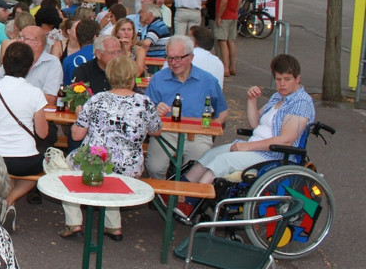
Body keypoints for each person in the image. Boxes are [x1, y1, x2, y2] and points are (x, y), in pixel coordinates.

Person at [174, 54, 314, 221]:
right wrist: (251, 101)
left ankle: (190, 203)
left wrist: (247, 147)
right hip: (255, 148)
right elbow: (255, 124)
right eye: (278, 79)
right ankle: (177, 193)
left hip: (273, 156)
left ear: (298, 79)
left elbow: (286, 140)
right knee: (209, 155)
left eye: (287, 79)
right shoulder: (278, 97)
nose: (282, 84)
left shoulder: (301, 103)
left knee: (221, 162)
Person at [61, 56, 161, 240]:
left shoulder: (96, 100)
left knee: (64, 166)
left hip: (96, 163)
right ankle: (113, 226)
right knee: (111, 172)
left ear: (110, 76)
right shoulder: (145, 102)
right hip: (130, 166)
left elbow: (76, 136)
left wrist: (79, 117)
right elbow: (156, 130)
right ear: (132, 78)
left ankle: (74, 222)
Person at [0, 42, 49, 215]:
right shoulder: (35, 93)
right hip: (26, 159)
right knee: (36, 174)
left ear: (4, 63)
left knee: (7, 174)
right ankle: (10, 200)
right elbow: (43, 133)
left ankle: (6, 201)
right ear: (30, 65)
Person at [144, 35, 228, 179]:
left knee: (195, 170)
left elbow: (222, 111)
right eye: (170, 58)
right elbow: (144, 111)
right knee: (154, 167)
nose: (173, 63)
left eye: (178, 58)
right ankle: (163, 191)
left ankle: (184, 191)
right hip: (165, 133)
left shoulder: (207, 80)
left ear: (191, 57)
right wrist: (155, 110)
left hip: (197, 135)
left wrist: (210, 130)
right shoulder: (158, 79)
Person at [215, 0, 241, 76]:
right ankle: (232, 67)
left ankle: (225, 68)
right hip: (233, 15)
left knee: (222, 41)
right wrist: (235, 11)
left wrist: (219, 16)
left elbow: (224, 0)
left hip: (225, 16)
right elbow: (239, 0)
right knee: (231, 40)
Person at [62, 18, 100, 85]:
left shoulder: (68, 61)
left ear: (77, 36)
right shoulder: (105, 56)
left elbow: (67, 87)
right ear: (95, 37)